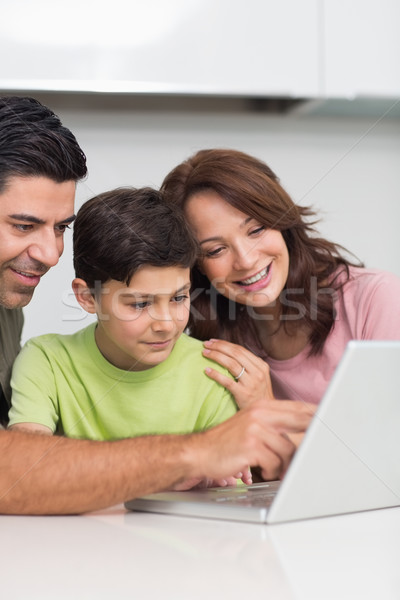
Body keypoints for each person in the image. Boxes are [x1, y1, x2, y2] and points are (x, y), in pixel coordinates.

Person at [0, 97, 312, 514]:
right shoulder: (46, 357)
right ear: (87, 297)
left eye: (60, 228)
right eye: (23, 225)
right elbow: (16, 474)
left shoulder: (8, 304)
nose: (50, 253)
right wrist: (189, 455)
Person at [161, 148, 400, 407]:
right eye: (216, 250)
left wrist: (268, 408)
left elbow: (387, 438)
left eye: (256, 230)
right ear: (198, 267)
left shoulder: (378, 298)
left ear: (282, 221)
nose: (246, 260)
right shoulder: (213, 340)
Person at [8, 187, 238, 452]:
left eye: (178, 298)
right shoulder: (46, 361)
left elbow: (227, 484)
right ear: (87, 297)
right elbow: (27, 460)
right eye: (140, 304)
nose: (165, 324)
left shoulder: (214, 375)